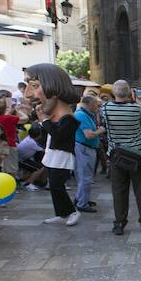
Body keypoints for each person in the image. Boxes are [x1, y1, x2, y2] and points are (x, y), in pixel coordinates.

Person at [24, 63, 81, 226]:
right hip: (53, 156)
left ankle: (72, 211)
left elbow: (57, 135)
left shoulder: (69, 118)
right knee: (54, 186)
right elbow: (46, 138)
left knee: (57, 186)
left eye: (34, 86)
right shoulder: (57, 117)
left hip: (62, 157)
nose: (28, 93)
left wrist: (45, 120)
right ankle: (62, 213)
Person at [101, 79, 141, 235]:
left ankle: (119, 224)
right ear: (130, 92)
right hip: (137, 156)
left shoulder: (105, 108)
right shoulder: (137, 109)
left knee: (118, 192)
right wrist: (136, 99)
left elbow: (103, 123)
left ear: (113, 93)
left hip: (116, 157)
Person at [74, 95, 104, 212]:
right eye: (96, 105)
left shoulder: (85, 114)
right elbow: (89, 134)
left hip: (86, 148)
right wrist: (100, 130)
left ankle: (81, 199)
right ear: (90, 104)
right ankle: (82, 204)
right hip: (84, 149)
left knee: (85, 176)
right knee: (85, 177)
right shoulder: (81, 115)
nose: (98, 107)